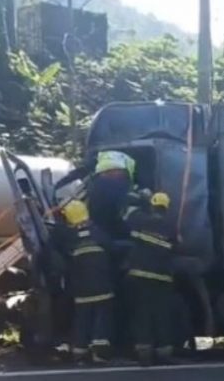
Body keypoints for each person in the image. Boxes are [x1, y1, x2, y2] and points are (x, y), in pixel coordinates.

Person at [56, 200, 114, 365]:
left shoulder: (69, 237)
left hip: (80, 289)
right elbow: (111, 248)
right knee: (102, 320)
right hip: (102, 286)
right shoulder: (98, 233)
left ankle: (79, 354)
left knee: (82, 320)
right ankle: (99, 355)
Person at [123, 192, 177, 366]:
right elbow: (176, 247)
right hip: (162, 278)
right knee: (162, 316)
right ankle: (164, 352)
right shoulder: (171, 226)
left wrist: (141, 197)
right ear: (167, 208)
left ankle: (144, 353)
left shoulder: (140, 219)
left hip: (140, 276)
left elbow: (126, 216)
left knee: (142, 315)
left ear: (152, 205)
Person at [54, 150, 136, 240]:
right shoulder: (82, 199)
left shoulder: (135, 204)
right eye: (106, 174)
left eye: (117, 175)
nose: (110, 180)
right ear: (97, 176)